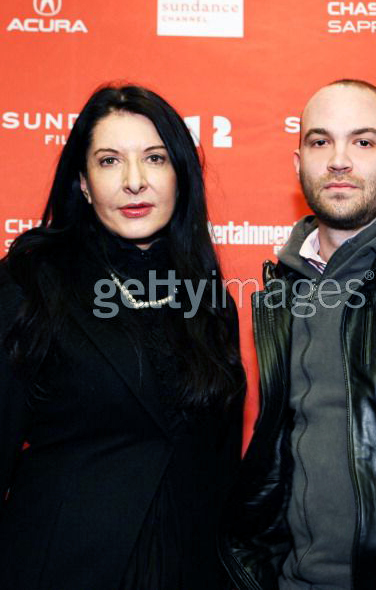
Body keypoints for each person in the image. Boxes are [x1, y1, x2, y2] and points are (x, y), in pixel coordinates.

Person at [0, 84, 246, 590]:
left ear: (180, 174)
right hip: (64, 567)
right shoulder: (31, 280)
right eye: (110, 161)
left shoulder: (209, 295)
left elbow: (219, 464)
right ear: (84, 184)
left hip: (188, 568)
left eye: (154, 159)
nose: (135, 182)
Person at [220, 79, 376, 590]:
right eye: (320, 141)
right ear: (298, 162)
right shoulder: (285, 287)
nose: (339, 160)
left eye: (364, 141)